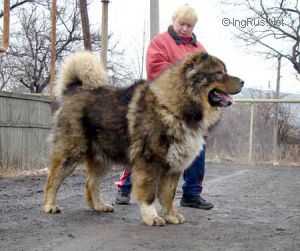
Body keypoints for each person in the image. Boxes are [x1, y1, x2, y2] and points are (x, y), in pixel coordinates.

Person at [115, 4, 213, 210]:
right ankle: (125, 188)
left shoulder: (200, 48)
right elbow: (155, 70)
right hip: (160, 105)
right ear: (173, 20)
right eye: (182, 24)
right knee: (147, 149)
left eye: (190, 25)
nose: (185, 29)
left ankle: (192, 193)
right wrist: (184, 76)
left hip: (190, 109)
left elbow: (207, 75)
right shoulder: (160, 42)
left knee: (196, 147)